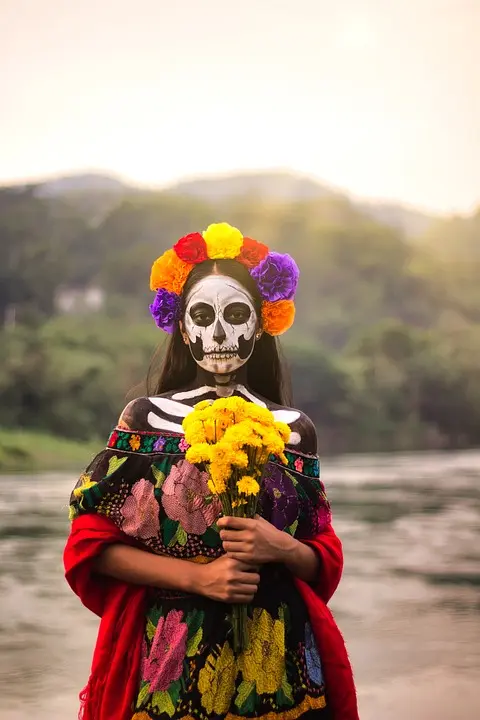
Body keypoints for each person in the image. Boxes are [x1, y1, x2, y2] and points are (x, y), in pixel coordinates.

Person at [64, 223, 358, 720]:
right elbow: (90, 545)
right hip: (172, 656)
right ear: (182, 328)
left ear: (263, 324)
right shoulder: (145, 420)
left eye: (237, 315)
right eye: (202, 316)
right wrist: (198, 578)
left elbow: (320, 557)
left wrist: (282, 547)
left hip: (281, 657)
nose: (219, 335)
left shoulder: (294, 431)